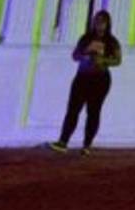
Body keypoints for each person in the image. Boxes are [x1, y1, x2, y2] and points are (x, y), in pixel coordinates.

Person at [48, 10, 122, 154]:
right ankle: (63, 142)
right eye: (97, 20)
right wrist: (85, 53)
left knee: (93, 112)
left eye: (102, 21)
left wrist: (104, 60)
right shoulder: (86, 38)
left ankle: (87, 145)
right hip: (82, 77)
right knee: (73, 110)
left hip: (100, 80)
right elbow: (75, 55)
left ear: (107, 24)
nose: (99, 24)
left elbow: (118, 60)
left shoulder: (112, 41)